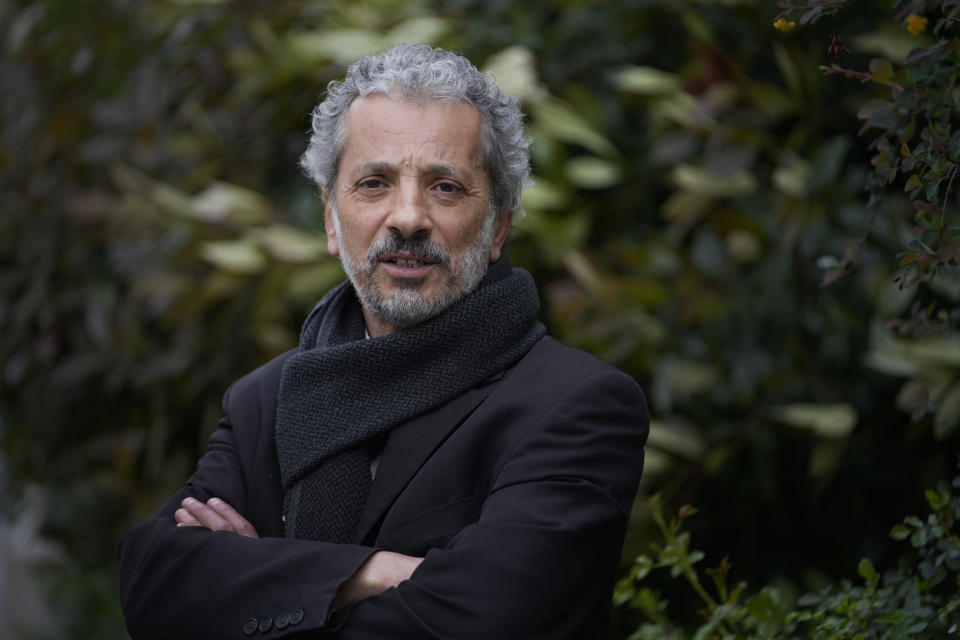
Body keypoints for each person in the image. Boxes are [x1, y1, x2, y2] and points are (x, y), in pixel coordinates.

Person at [117, 44, 648, 639]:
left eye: (445, 187)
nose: (408, 217)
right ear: (329, 219)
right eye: (374, 183)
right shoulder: (264, 402)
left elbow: (494, 620)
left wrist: (261, 583)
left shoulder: (577, 405)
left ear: (498, 225)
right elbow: (154, 583)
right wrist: (374, 572)